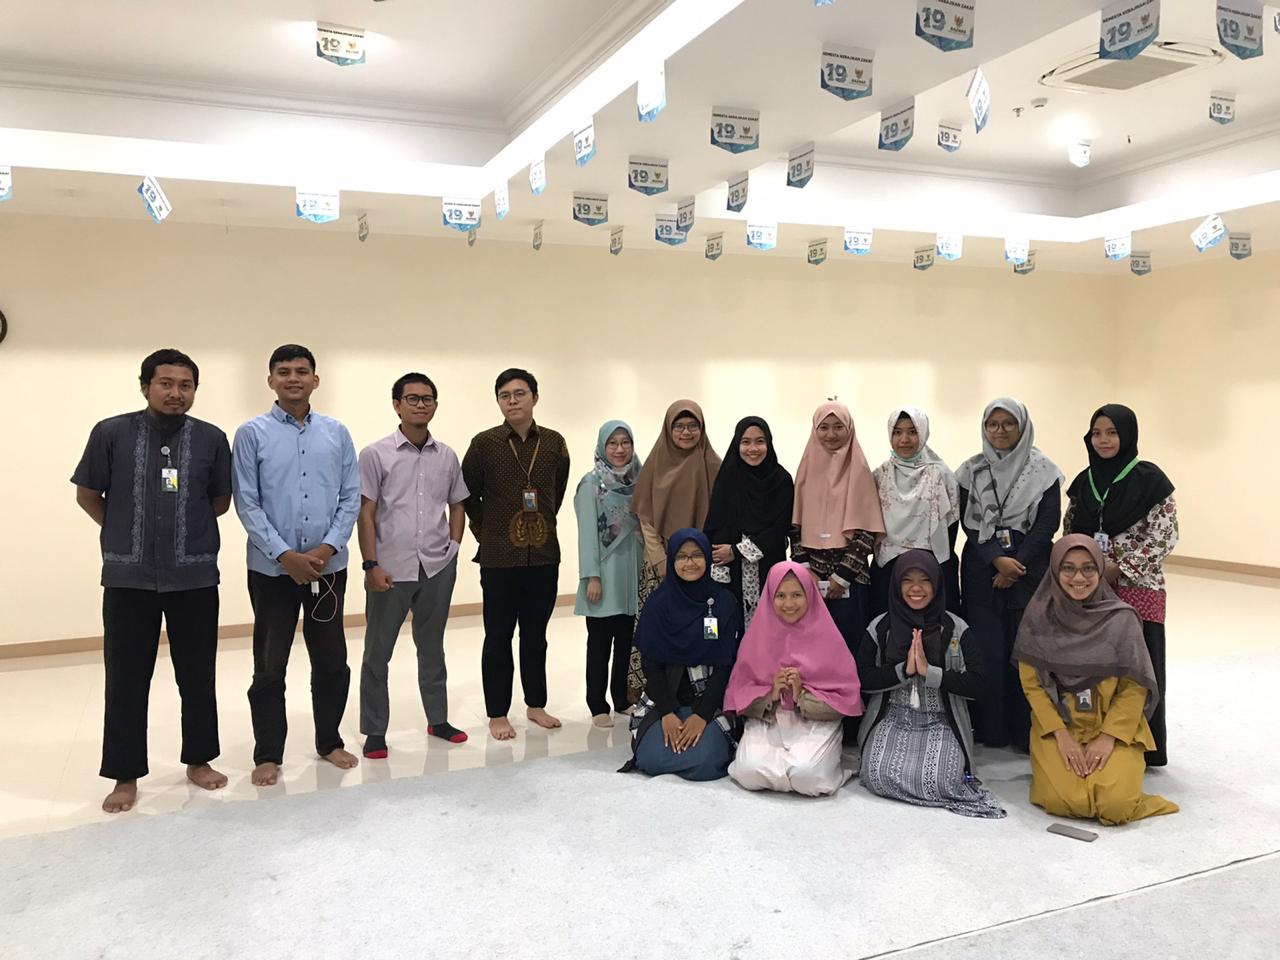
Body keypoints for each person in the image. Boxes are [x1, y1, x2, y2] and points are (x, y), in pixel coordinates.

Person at [72, 349, 232, 813]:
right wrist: (124, 531)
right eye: (166, 383)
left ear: (195, 391)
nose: (175, 392)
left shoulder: (211, 438)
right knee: (126, 678)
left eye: (186, 385)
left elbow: (219, 501)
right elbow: (88, 494)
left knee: (197, 674)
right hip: (129, 577)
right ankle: (125, 775)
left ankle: (199, 759)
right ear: (145, 386)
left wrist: (183, 531)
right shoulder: (111, 433)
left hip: (193, 574)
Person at [232, 344, 361, 786]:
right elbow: (247, 503)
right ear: (270, 380)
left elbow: (350, 496)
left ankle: (330, 741)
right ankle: (268, 753)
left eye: (302, 371)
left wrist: (326, 548)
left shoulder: (337, 433)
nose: (293, 378)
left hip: (328, 569)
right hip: (272, 572)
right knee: (270, 665)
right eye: (284, 371)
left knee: (332, 660)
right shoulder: (251, 434)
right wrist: (285, 556)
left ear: (315, 380)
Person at [1015, 535, 1178, 825]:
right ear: (1055, 570)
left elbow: (1134, 688)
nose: (1079, 578)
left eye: (1088, 568)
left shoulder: (1122, 619)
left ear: (1101, 570)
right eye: (1068, 568)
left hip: (1112, 723)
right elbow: (1033, 686)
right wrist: (1061, 736)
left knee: (1116, 806)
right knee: (1061, 800)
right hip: (1060, 724)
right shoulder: (1039, 618)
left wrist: (1107, 738)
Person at [356, 372, 470, 759]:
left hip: (436, 567)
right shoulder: (375, 454)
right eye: (412, 398)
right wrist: (371, 564)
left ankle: (438, 720)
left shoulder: (447, 456)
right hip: (390, 568)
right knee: (377, 653)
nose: (420, 405)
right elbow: (366, 513)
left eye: (427, 399)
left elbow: (457, 505)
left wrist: (453, 547)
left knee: (432, 648)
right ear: (397, 405)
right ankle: (375, 730)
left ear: (435, 405)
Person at [1063, 404, 1177, 767]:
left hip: (1138, 587)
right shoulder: (1084, 481)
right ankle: (1099, 736)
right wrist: (1083, 570)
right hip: (1090, 587)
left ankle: (1145, 744)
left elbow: (1165, 536)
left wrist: (1120, 567)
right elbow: (1070, 531)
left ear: (1127, 435)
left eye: (1112, 432)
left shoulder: (1150, 480)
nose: (1103, 440)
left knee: (1140, 667)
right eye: (1097, 433)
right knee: (1098, 666)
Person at [462, 368, 571, 741]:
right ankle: (497, 713)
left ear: (535, 397)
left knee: (536, 635)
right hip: (499, 559)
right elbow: (467, 494)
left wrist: (540, 524)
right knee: (497, 637)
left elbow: (557, 490)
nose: (512, 401)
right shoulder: (484, 444)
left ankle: (536, 704)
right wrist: (487, 532)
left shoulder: (554, 443)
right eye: (505, 395)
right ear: (498, 401)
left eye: (520, 393)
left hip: (543, 556)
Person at [857, 551, 1006, 818]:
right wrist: (902, 671)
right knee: (876, 774)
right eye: (907, 580)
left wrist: (930, 673)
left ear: (937, 584)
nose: (916, 588)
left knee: (943, 779)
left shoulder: (956, 628)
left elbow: (979, 683)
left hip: (941, 722)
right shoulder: (880, 627)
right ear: (896, 584)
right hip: (892, 718)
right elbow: (862, 679)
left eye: (924, 580)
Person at [955, 397, 1062, 751]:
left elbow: (1047, 523)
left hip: (1030, 568)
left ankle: (1024, 730)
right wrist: (995, 559)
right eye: (992, 424)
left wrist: (1015, 564)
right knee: (987, 649)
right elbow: (969, 524)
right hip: (981, 568)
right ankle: (991, 729)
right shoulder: (971, 470)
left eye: (1008, 424)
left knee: (1025, 651)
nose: (999, 431)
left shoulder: (1044, 470)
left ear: (1022, 426)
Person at [725, 562, 862, 796]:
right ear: (770, 597)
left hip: (816, 719)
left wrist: (801, 696)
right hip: (770, 718)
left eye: (797, 595)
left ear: (810, 594)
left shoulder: (828, 637)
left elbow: (846, 699)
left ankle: (804, 770)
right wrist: (770, 695)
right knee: (748, 772)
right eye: (780, 595)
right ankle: (784, 771)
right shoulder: (757, 636)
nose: (789, 604)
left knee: (808, 776)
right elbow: (738, 695)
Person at [620, 530, 741, 781]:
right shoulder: (657, 604)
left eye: (697, 555)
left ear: (707, 557)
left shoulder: (723, 603)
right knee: (651, 758)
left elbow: (725, 666)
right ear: (672, 560)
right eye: (682, 556)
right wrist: (667, 713)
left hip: (709, 699)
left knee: (708, 760)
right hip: (664, 699)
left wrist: (702, 716)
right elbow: (650, 664)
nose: (690, 562)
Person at [627, 400, 721, 702]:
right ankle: (654, 693)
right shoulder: (655, 465)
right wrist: (664, 563)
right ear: (668, 429)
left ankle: (700, 693)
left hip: (702, 566)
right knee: (659, 628)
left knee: (703, 628)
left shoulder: (714, 466)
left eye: (693, 426)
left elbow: (721, 517)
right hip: (662, 566)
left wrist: (699, 560)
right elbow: (647, 519)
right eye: (679, 426)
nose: (686, 432)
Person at [789, 401, 884, 652]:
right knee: (811, 649)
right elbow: (795, 526)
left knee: (849, 648)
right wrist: (806, 571)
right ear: (815, 429)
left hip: (851, 579)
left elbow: (866, 530)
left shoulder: (860, 470)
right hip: (810, 580)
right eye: (824, 427)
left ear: (849, 429)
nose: (831, 434)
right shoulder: (805, 469)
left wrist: (841, 577)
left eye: (838, 427)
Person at [573, 420, 643, 727]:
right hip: (603, 577)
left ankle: (621, 699)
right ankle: (597, 704)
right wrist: (592, 576)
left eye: (625, 442)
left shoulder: (639, 481)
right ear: (603, 446)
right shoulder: (591, 485)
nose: (619, 449)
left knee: (626, 643)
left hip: (632, 575)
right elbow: (587, 535)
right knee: (600, 646)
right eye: (612, 443)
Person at [704, 416, 795, 628]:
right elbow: (717, 523)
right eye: (746, 442)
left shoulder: (781, 480)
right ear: (737, 444)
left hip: (768, 563)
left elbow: (780, 528)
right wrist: (721, 563)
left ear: (769, 443)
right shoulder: (728, 477)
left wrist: (737, 551)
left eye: (760, 441)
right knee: (729, 626)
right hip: (730, 570)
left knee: (771, 627)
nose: (753, 449)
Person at [870, 406, 961, 619]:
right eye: (897, 432)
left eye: (912, 432)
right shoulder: (880, 475)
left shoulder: (941, 474)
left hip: (931, 566)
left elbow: (951, 525)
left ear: (923, 432)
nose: (904, 439)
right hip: (888, 567)